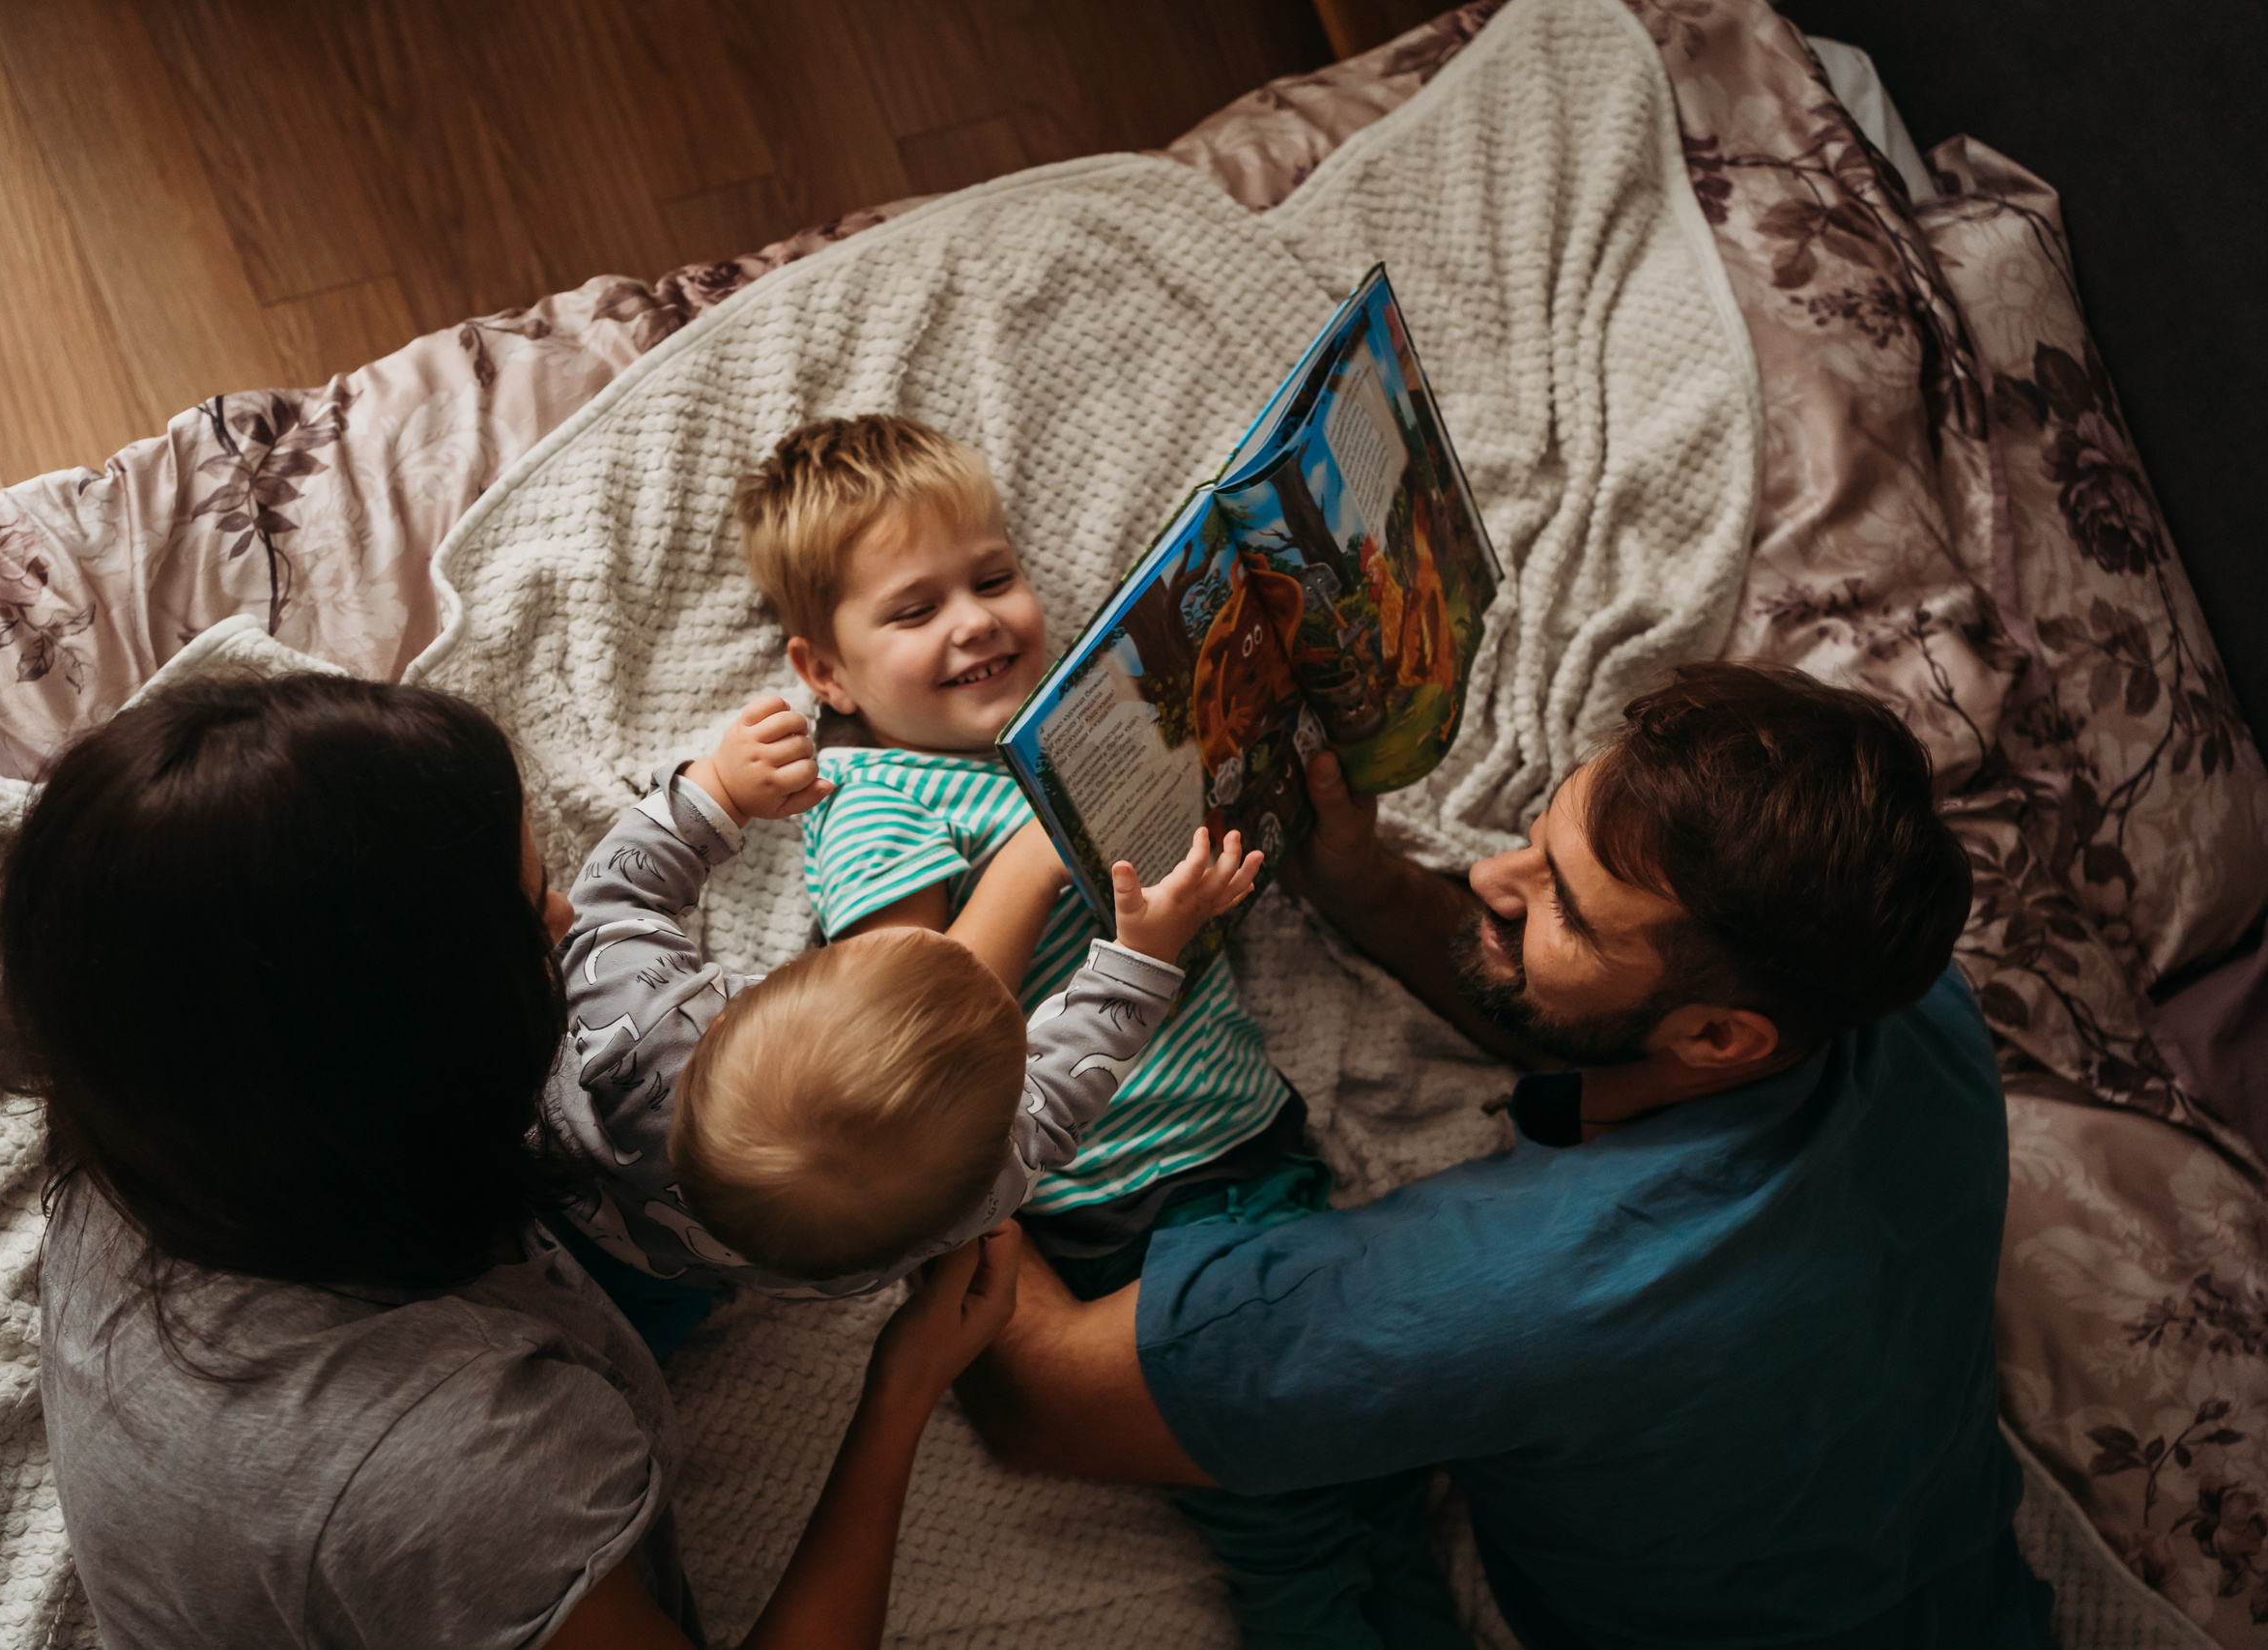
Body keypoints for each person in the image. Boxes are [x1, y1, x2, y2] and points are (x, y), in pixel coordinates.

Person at [958, 661, 2060, 1650]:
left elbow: (1044, 1400)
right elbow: (1623, 1032)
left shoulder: (1523, 1286)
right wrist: (1363, 881)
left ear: (1722, 1037)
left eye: (1564, 911)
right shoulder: (1912, 1000)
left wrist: (921, 1086)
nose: (1491, 874)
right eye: (1538, 837)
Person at [0, 672, 1021, 1650]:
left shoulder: (145, 1065)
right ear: (428, 1048)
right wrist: (903, 1387)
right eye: (536, 919)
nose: (571, 920)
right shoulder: (456, 1474)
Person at [738, 413, 1466, 1650]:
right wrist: (1034, 852)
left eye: (992, 580)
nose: (974, 623)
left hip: (1253, 1152)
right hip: (1127, 1207)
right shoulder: (874, 802)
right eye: (913, 613)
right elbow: (908, 1034)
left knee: (1381, 1492)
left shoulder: (1066, 732)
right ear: (827, 675)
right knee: (1284, 1518)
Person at [549, 694, 1262, 1296]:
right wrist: (1143, 951)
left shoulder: (636, 1019)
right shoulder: (958, 1206)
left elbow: (612, 895)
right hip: (662, 1273)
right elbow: (1066, 1089)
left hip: (548, 1166)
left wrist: (722, 789)